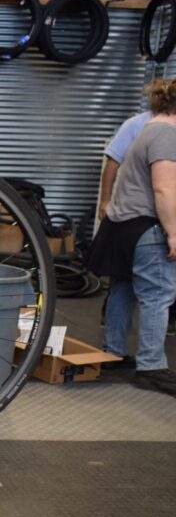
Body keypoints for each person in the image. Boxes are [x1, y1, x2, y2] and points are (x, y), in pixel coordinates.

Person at [86, 78, 176, 397]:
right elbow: (163, 188)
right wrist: (173, 232)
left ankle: (113, 354)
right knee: (158, 293)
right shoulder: (166, 134)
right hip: (147, 226)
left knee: (123, 289)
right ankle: (151, 367)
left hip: (125, 224)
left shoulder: (149, 127)